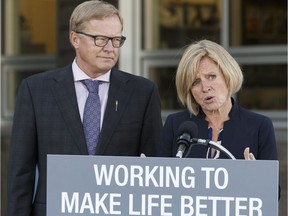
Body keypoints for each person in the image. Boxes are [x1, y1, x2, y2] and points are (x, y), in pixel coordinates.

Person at [7, 1, 162, 215]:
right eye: (100, 39)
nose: (110, 48)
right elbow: (20, 174)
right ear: (74, 39)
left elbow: (154, 171)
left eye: (116, 40)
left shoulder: (143, 93)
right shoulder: (36, 90)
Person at [159, 39, 278, 162]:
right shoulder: (175, 125)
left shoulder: (259, 127)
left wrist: (257, 176)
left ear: (228, 75)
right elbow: (160, 178)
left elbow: (272, 181)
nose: (205, 88)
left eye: (211, 77)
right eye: (196, 82)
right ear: (189, 90)